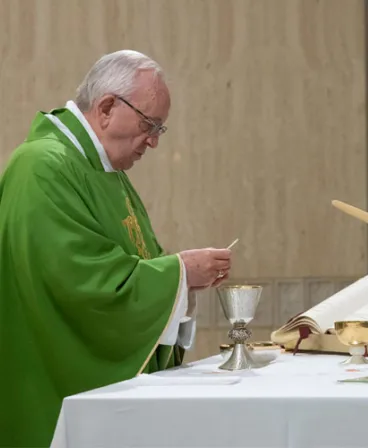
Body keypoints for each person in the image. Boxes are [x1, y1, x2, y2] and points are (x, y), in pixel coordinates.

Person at [0, 50, 233, 447]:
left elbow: (136, 265)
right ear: (107, 107)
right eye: (150, 125)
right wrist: (179, 273)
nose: (154, 142)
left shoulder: (105, 172)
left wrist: (179, 284)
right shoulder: (42, 166)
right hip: (48, 385)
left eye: (160, 130)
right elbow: (80, 283)